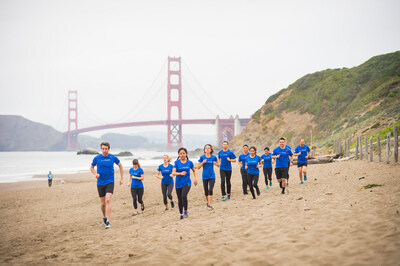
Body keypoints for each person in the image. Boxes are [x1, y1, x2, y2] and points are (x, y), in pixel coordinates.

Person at [90, 142, 123, 229]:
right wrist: (95, 174)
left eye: (106, 149)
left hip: (110, 181)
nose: (104, 150)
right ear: (101, 149)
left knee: (108, 200)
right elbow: (91, 167)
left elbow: (120, 165)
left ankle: (108, 221)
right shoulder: (97, 158)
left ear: (108, 149)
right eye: (103, 149)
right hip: (100, 183)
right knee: (102, 204)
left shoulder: (112, 157)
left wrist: (121, 178)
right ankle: (104, 217)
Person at [171, 147, 198, 220]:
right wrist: (180, 173)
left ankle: (185, 210)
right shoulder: (176, 163)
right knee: (179, 199)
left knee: (183, 196)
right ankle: (181, 214)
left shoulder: (189, 162)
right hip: (178, 183)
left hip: (187, 182)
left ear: (186, 154)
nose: (182, 154)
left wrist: (196, 179)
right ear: (178, 155)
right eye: (181, 153)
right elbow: (173, 172)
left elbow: (194, 170)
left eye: (184, 153)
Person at [198, 144, 220, 210]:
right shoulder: (202, 157)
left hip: (212, 176)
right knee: (206, 191)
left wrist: (216, 164)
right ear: (204, 150)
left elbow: (219, 164)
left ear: (211, 150)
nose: (207, 149)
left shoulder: (213, 157)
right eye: (206, 148)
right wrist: (202, 163)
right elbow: (198, 167)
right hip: (204, 176)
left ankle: (210, 204)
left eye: (208, 148)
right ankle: (208, 203)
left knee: (210, 190)